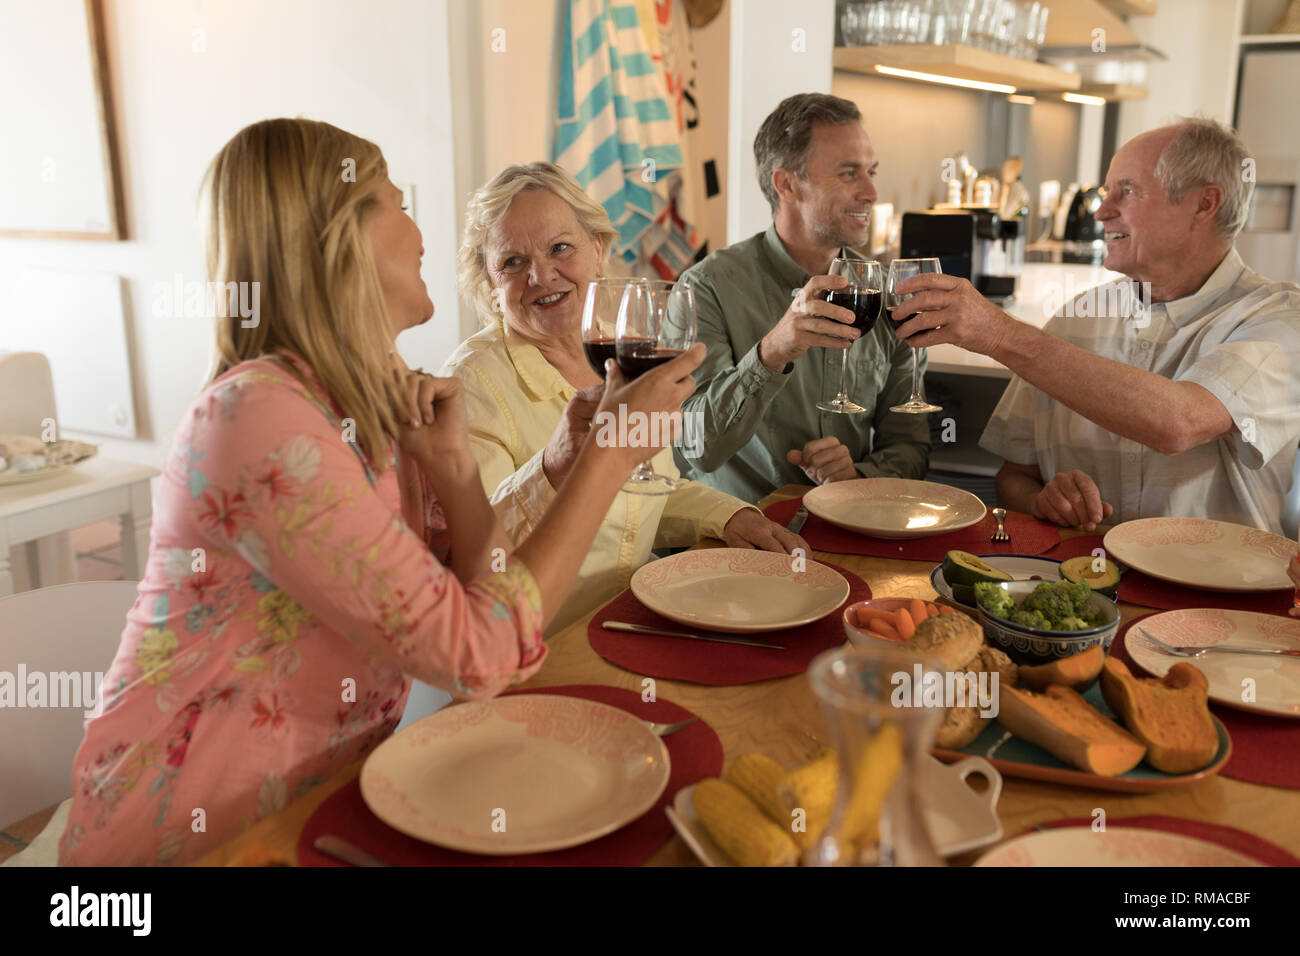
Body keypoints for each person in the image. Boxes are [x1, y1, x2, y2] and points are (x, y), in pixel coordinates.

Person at [57, 120, 702, 865]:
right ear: (338, 238)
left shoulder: (355, 400)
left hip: (319, 809)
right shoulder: (258, 418)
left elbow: (475, 594)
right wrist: (610, 457)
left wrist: (460, 471)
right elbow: (483, 655)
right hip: (189, 845)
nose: (422, 232)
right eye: (396, 202)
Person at [442, 162, 806, 634]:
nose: (541, 275)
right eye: (512, 262)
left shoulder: (621, 346)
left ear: (596, 250)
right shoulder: (471, 384)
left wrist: (727, 514)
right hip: (535, 649)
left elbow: (645, 488)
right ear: (491, 286)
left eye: (560, 248)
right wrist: (552, 465)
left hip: (626, 622)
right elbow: (469, 550)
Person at [892, 117, 1300, 535]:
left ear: (1203, 204)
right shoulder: (1076, 317)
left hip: (1219, 597)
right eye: (1107, 193)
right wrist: (1042, 501)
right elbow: (1014, 479)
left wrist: (999, 333)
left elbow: (1179, 423)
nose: (1103, 212)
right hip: (1082, 589)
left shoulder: (1279, 319)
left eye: (1128, 191)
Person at [673, 93, 931, 503]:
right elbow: (695, 448)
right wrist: (772, 352)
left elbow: (911, 447)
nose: (871, 191)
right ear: (787, 184)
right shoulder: (705, 289)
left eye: (871, 171)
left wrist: (858, 476)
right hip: (737, 542)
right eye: (849, 174)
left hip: (852, 533)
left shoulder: (888, 293)